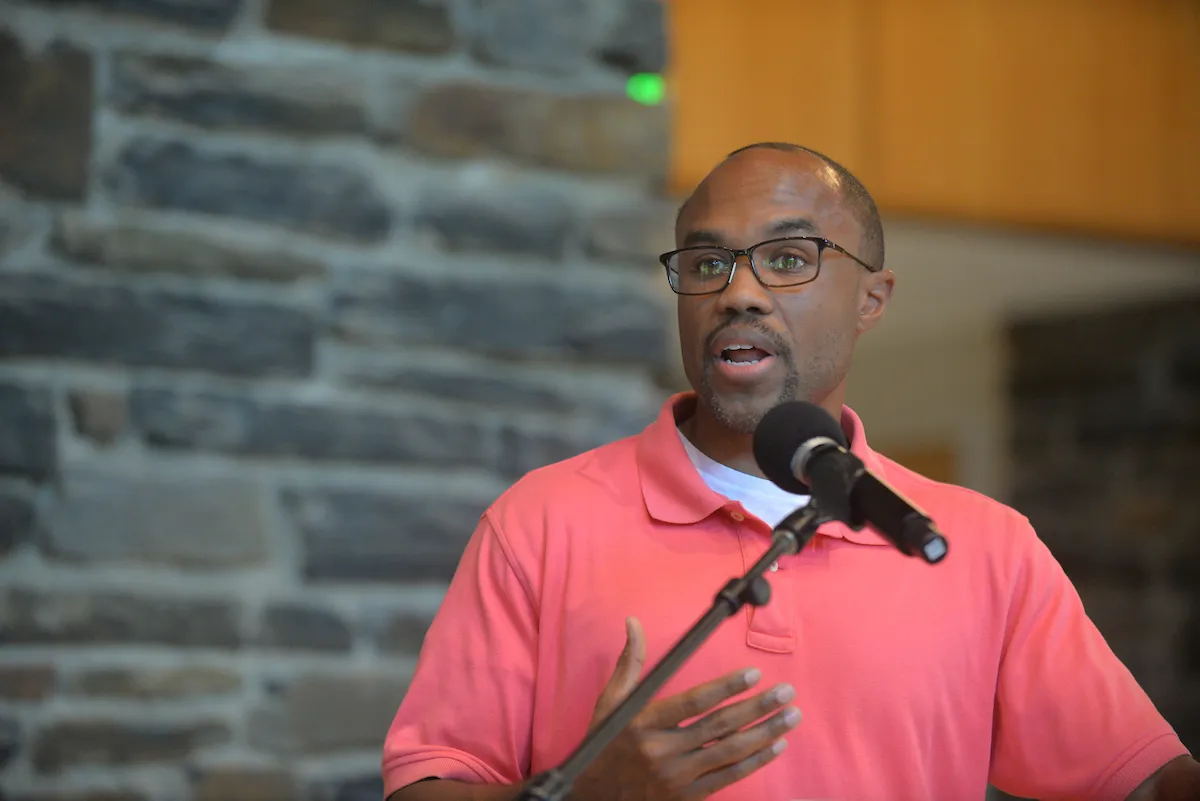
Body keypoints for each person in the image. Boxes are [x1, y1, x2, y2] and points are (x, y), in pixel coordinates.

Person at [381, 143, 1199, 800]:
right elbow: (429, 785)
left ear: (872, 298)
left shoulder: (985, 546)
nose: (738, 291)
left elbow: (1145, 781)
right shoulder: (542, 522)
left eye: (786, 257)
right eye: (706, 265)